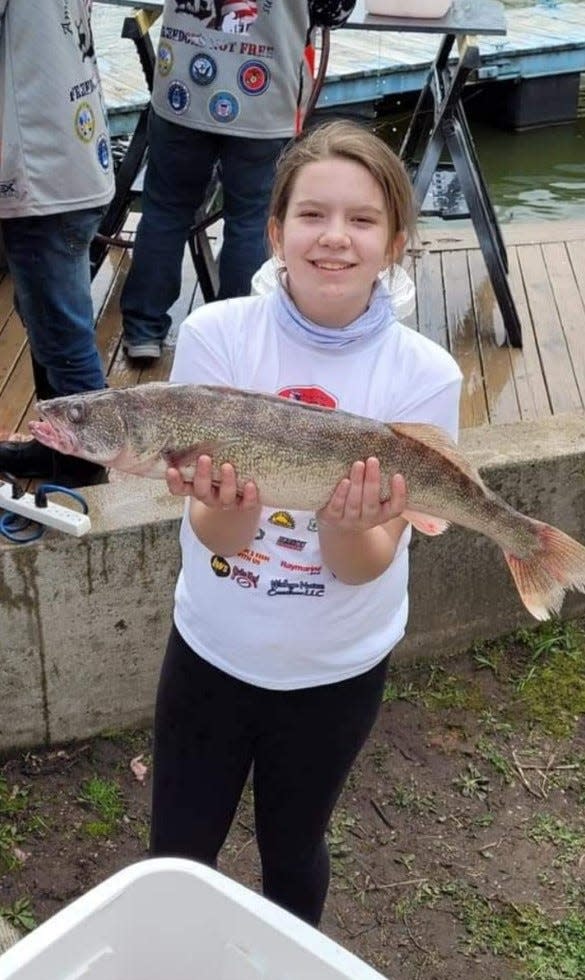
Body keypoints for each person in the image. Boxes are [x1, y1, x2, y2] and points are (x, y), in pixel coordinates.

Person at [151, 120, 463, 927]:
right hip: (212, 652)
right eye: (311, 215)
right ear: (273, 229)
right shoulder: (214, 337)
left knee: (294, 849)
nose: (334, 237)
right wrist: (231, 504)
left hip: (336, 671)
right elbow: (216, 538)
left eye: (361, 220)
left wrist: (344, 521)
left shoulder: (424, 374)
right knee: (177, 853)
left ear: (396, 241)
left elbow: (363, 565)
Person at [119, 0, 356, 361]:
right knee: (251, 219)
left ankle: (143, 328)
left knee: (166, 209)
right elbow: (332, 12)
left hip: (182, 87)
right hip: (264, 97)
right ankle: (234, 335)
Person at [0, 0, 114, 487]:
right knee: (47, 317)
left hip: (40, 174)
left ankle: (86, 464)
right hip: (73, 155)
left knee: (62, 336)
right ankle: (58, 448)